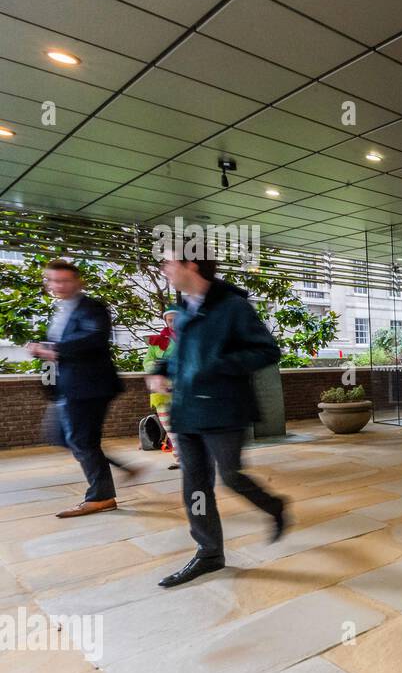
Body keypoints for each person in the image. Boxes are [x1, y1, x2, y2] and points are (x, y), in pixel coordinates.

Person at [148, 246, 288, 589]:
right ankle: (209, 552)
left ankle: (274, 506)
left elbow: (267, 350)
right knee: (195, 485)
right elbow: (178, 353)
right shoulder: (184, 309)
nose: (164, 269)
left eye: (168, 262)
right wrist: (161, 368)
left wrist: (216, 366)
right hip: (187, 410)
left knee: (230, 476)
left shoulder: (233, 307)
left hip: (224, 409)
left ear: (190, 265)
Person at [26, 259, 132, 517]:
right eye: (53, 280)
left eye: (64, 280)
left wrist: (52, 349)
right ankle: (119, 470)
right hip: (69, 386)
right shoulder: (62, 310)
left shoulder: (92, 307)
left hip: (90, 386)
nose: (58, 285)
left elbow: (93, 337)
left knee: (80, 440)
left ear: (78, 281)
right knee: (64, 436)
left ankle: (101, 496)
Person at [146, 306, 182, 470]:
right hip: (162, 392)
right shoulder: (156, 341)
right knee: (170, 427)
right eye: (170, 320)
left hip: (182, 389)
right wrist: (155, 367)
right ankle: (180, 458)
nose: (173, 323)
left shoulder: (189, 339)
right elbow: (147, 362)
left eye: (176, 319)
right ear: (166, 321)